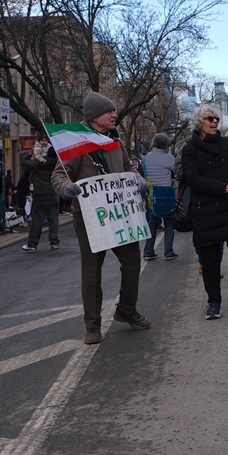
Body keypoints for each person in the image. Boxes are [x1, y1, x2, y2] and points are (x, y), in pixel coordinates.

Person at [51, 92, 151, 344]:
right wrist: (66, 188)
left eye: (114, 111)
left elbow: (128, 167)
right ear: (94, 117)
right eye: (109, 111)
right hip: (89, 217)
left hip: (120, 215)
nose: (114, 115)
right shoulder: (76, 144)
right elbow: (59, 175)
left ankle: (126, 310)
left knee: (132, 262)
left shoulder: (115, 142)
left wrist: (137, 178)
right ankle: (92, 326)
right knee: (92, 271)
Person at [180, 105, 228, 319]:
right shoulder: (189, 149)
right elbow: (191, 178)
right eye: (209, 118)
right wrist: (223, 188)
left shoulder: (226, 144)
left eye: (217, 119)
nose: (214, 122)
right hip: (205, 210)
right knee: (210, 259)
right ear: (198, 123)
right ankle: (214, 301)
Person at [142, 133, 178, 261]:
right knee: (169, 223)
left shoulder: (145, 158)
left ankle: (148, 251)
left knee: (152, 224)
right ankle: (169, 252)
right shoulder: (169, 158)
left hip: (152, 195)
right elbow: (177, 171)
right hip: (166, 194)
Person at [21, 142, 60, 252]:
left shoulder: (39, 163)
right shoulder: (58, 164)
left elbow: (24, 161)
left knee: (37, 220)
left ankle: (32, 244)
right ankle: (54, 242)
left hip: (40, 195)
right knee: (54, 220)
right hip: (53, 194)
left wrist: (30, 154)